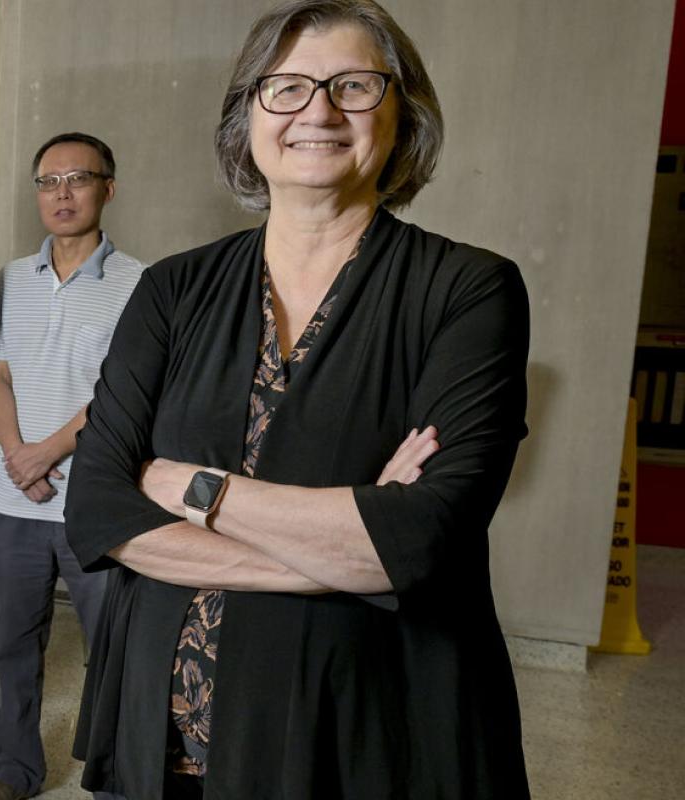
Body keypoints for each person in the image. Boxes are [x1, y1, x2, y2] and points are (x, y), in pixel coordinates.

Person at [65, 1, 532, 797]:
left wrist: (189, 487)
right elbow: (100, 509)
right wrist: (346, 551)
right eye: (285, 88)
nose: (317, 110)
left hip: (361, 736)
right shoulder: (172, 289)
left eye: (352, 86)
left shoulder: (468, 290)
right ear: (247, 116)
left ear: (402, 113)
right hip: (164, 731)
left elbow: (424, 540)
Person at [0, 132, 144, 800]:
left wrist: (47, 452)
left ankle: (112, 779)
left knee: (112, 650)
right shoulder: (12, 278)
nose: (62, 193)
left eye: (79, 178)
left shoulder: (138, 282)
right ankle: (16, 771)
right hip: (15, 503)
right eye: (48, 181)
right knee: (13, 647)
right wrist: (19, 455)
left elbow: (123, 393)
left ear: (108, 187)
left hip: (96, 500)